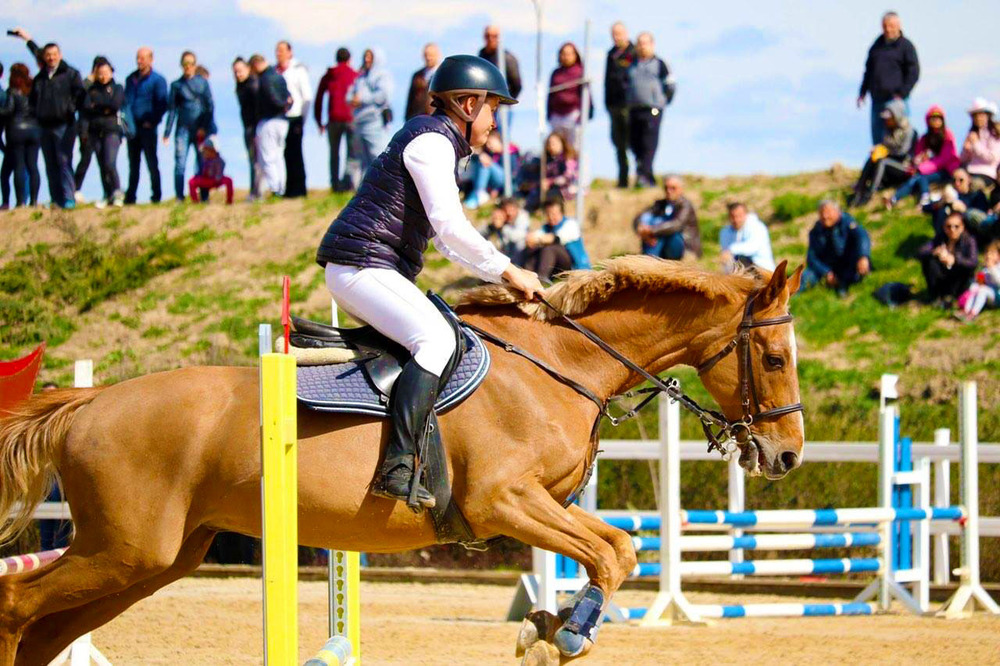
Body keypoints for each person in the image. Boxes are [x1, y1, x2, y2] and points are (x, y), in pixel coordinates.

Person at [315, 55, 541, 509]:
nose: (495, 123)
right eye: (494, 109)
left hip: (368, 266)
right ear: (468, 103)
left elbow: (444, 243)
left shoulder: (438, 144)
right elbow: (452, 227)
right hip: (361, 264)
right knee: (435, 340)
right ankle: (398, 464)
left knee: (445, 335)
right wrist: (509, 269)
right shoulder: (432, 143)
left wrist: (501, 275)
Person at [11, 28, 85, 208]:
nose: (51, 57)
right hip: (44, 125)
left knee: (64, 161)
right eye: (48, 55)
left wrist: (70, 109)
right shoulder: (40, 78)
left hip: (64, 125)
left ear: (59, 55)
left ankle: (68, 198)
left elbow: (80, 95)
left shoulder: (70, 74)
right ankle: (56, 199)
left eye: (54, 54)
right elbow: (34, 99)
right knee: (50, 163)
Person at [857, 11, 920, 146]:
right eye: (885, 26)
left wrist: (902, 93)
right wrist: (862, 92)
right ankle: (880, 164)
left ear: (898, 26)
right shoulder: (876, 46)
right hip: (877, 100)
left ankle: (902, 164)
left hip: (896, 101)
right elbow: (868, 71)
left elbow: (914, 72)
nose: (888, 29)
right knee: (878, 139)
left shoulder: (906, 46)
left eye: (891, 26)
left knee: (899, 137)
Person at [163, 51, 216, 202]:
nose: (188, 67)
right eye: (185, 64)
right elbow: (172, 110)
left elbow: (210, 106)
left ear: (195, 65)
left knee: (202, 163)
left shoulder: (202, 83)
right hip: (182, 129)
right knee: (180, 162)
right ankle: (180, 196)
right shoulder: (176, 85)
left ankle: (204, 196)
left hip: (200, 130)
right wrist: (167, 132)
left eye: (191, 64)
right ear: (181, 65)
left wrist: (204, 127)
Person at [626, 32, 674, 188]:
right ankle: (643, 174)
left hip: (653, 110)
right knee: (635, 143)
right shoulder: (631, 65)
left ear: (652, 44)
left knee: (649, 142)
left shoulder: (661, 64)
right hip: (634, 110)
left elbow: (670, 85)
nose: (642, 46)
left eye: (645, 43)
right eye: (639, 43)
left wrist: (662, 101)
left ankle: (645, 176)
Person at [887, 106, 959, 208]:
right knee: (916, 179)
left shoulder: (947, 135)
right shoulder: (924, 138)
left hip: (945, 170)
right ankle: (895, 198)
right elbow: (917, 156)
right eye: (933, 118)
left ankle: (921, 197)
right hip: (927, 170)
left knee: (920, 177)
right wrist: (919, 161)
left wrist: (923, 168)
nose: (936, 121)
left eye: (939, 118)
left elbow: (945, 159)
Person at [849, 98, 915, 207]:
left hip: (903, 167)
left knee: (882, 161)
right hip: (889, 164)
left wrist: (885, 151)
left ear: (896, 116)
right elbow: (885, 147)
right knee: (873, 158)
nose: (887, 120)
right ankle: (860, 188)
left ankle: (870, 193)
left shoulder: (909, 131)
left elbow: (903, 153)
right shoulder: (887, 130)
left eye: (889, 118)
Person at [124, 47, 167, 205]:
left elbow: (162, 104)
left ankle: (156, 196)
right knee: (133, 165)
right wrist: (127, 126)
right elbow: (126, 103)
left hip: (148, 128)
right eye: (137, 58)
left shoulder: (158, 80)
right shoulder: (131, 79)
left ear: (151, 59)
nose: (139, 61)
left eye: (142, 58)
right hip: (133, 129)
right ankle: (130, 197)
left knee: (151, 163)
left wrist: (153, 121)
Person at [80, 58, 125, 208]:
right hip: (95, 131)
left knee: (109, 162)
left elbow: (114, 105)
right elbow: (86, 107)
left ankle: (117, 192)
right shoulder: (91, 90)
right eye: (100, 73)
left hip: (112, 131)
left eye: (106, 72)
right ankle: (107, 194)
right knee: (101, 165)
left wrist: (98, 105)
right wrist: (101, 107)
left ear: (111, 72)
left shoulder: (117, 87)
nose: (103, 76)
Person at [802, 200, 872, 295]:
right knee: (805, 276)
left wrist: (863, 256)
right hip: (828, 266)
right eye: (822, 213)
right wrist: (826, 273)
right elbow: (811, 257)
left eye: (828, 212)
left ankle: (843, 285)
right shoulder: (816, 231)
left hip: (848, 264)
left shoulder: (847, 223)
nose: (825, 216)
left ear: (838, 211)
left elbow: (862, 236)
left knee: (853, 273)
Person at [346, 48, 392, 184]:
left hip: (374, 121)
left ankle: (384, 185)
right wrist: (352, 99)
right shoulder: (360, 77)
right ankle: (367, 188)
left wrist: (362, 99)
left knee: (377, 155)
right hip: (359, 121)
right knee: (362, 159)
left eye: (370, 56)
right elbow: (349, 94)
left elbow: (383, 95)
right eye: (365, 56)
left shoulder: (382, 76)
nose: (367, 59)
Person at [315, 47, 358, 192]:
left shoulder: (328, 75)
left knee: (334, 153)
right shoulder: (354, 74)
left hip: (333, 119)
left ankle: (335, 184)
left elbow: (319, 98)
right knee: (351, 153)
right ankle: (348, 182)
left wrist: (319, 120)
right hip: (351, 118)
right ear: (349, 59)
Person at [0, 63, 42, 207]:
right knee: (33, 166)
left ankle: (19, 202)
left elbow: (9, 110)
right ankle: (34, 200)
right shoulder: (34, 89)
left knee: (19, 166)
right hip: (34, 130)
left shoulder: (13, 91)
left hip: (16, 130)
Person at [632, 175, 701, 260]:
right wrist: (641, 229)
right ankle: (650, 260)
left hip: (683, 246)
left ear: (681, 189)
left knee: (663, 231)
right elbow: (639, 216)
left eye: (673, 188)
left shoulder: (685, 205)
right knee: (647, 219)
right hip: (663, 244)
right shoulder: (660, 204)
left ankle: (649, 260)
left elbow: (676, 225)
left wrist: (651, 231)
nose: (669, 191)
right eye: (666, 188)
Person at [250, 54, 290, 198]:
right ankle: (281, 188)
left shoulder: (264, 80)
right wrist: (285, 106)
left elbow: (272, 98)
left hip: (269, 121)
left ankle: (275, 189)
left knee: (267, 157)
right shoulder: (279, 76)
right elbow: (289, 98)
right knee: (279, 156)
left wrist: (278, 106)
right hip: (283, 121)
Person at [522, 196, 591, 281]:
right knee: (533, 250)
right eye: (548, 214)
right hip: (556, 266)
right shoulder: (546, 227)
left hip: (574, 265)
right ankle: (526, 278)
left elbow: (555, 238)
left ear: (561, 213)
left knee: (550, 248)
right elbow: (534, 237)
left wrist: (538, 239)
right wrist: (530, 240)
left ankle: (542, 279)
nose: (551, 217)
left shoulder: (571, 224)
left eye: (554, 214)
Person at [918, 212, 977, 307]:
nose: (952, 230)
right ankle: (935, 296)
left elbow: (973, 263)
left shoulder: (969, 240)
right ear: (944, 228)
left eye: (956, 226)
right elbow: (921, 252)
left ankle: (952, 296)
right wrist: (935, 252)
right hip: (942, 276)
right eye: (948, 226)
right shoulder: (940, 238)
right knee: (929, 261)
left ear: (962, 227)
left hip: (959, 279)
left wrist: (955, 260)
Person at [276, 41, 311, 198]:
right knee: (284, 154)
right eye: (277, 51)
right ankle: (288, 189)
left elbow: (307, 97)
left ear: (290, 52)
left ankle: (299, 189)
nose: (279, 53)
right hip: (281, 119)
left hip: (295, 117)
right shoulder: (276, 72)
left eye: (282, 50)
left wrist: (302, 118)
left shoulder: (298, 71)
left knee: (296, 154)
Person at [605, 22, 635, 188]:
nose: (617, 37)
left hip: (630, 105)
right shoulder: (611, 55)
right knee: (619, 144)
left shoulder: (634, 53)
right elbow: (607, 81)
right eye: (614, 34)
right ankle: (623, 179)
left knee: (633, 142)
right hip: (614, 105)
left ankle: (640, 177)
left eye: (619, 33)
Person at [517, 131, 577, 211]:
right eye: (549, 144)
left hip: (565, 191)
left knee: (548, 195)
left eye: (554, 143)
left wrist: (550, 182)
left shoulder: (568, 158)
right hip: (549, 189)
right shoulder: (548, 160)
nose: (551, 146)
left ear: (562, 143)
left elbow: (568, 177)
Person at [72, 56, 103, 203]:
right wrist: (90, 79)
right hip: (85, 127)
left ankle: (109, 192)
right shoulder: (87, 84)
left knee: (105, 162)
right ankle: (75, 189)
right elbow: (78, 97)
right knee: (85, 159)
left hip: (101, 128)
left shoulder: (106, 85)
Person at [547, 42, 588, 149]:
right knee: (558, 147)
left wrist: (585, 114)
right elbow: (550, 95)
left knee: (575, 147)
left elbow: (586, 96)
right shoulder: (556, 73)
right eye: (564, 54)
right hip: (556, 116)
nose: (566, 57)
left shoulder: (580, 72)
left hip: (573, 116)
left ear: (575, 55)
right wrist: (549, 114)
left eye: (569, 54)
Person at [924, 169, 989, 234]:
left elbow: (983, 219)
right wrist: (941, 202)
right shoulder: (951, 194)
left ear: (969, 179)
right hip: (946, 232)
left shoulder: (977, 196)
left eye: (961, 180)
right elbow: (926, 208)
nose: (957, 183)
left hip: (968, 233)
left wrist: (965, 210)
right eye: (954, 180)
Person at [463, 129, 513, 209]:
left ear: (498, 140)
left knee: (486, 162)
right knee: (482, 162)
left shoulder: (511, 154)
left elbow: (513, 176)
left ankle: (479, 193)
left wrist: (497, 189)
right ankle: (478, 193)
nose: (488, 146)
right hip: (493, 183)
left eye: (490, 142)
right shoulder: (491, 153)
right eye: (487, 144)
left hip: (505, 182)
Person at [719, 202, 775, 272]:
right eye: (733, 216)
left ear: (746, 214)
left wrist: (731, 250)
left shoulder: (757, 227)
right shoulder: (725, 232)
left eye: (739, 216)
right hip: (739, 273)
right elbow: (726, 257)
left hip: (763, 271)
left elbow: (752, 247)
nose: (736, 220)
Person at [232, 57, 259, 199]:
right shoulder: (241, 86)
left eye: (240, 71)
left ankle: (256, 192)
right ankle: (255, 191)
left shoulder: (252, 85)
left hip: (255, 127)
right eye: (235, 72)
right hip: (248, 127)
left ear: (248, 69)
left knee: (256, 161)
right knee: (253, 160)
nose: (238, 74)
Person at [960, 98, 1000, 191]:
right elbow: (963, 159)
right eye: (975, 115)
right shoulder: (972, 133)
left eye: (981, 114)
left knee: (974, 185)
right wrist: (966, 149)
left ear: (987, 115)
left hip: (987, 173)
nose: (978, 118)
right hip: (969, 171)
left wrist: (975, 143)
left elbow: (991, 158)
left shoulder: (994, 133)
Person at [956, 240, 1000, 322]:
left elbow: (998, 282)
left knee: (983, 290)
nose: (988, 256)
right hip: (987, 295)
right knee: (975, 288)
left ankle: (973, 314)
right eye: (987, 253)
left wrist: (992, 268)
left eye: (992, 253)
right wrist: (978, 279)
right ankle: (966, 310)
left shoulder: (997, 267)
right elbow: (979, 282)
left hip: (997, 296)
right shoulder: (984, 269)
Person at [479, 25, 522, 103]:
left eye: (494, 36)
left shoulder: (508, 58)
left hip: (501, 105)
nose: (490, 39)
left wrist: (505, 101)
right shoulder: (481, 57)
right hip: (483, 103)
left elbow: (517, 85)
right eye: (487, 36)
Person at [481, 196, 530, 263]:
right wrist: (491, 226)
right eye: (507, 210)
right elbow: (478, 235)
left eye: (512, 210)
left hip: (521, 254)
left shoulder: (523, 216)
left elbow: (517, 236)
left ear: (517, 209)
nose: (509, 213)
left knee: (520, 243)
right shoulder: (502, 218)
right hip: (504, 252)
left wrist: (502, 227)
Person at [188, 139, 233, 205]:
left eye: (207, 150)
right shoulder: (202, 159)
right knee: (191, 182)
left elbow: (221, 169)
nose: (205, 152)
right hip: (205, 180)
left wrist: (218, 178)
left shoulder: (219, 160)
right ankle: (195, 202)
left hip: (216, 180)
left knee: (229, 180)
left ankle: (229, 201)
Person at [405, 43, 441, 120]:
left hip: (436, 119)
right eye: (426, 55)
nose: (428, 58)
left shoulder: (442, 74)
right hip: (417, 118)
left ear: (438, 55)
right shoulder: (417, 76)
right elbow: (410, 99)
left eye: (431, 55)